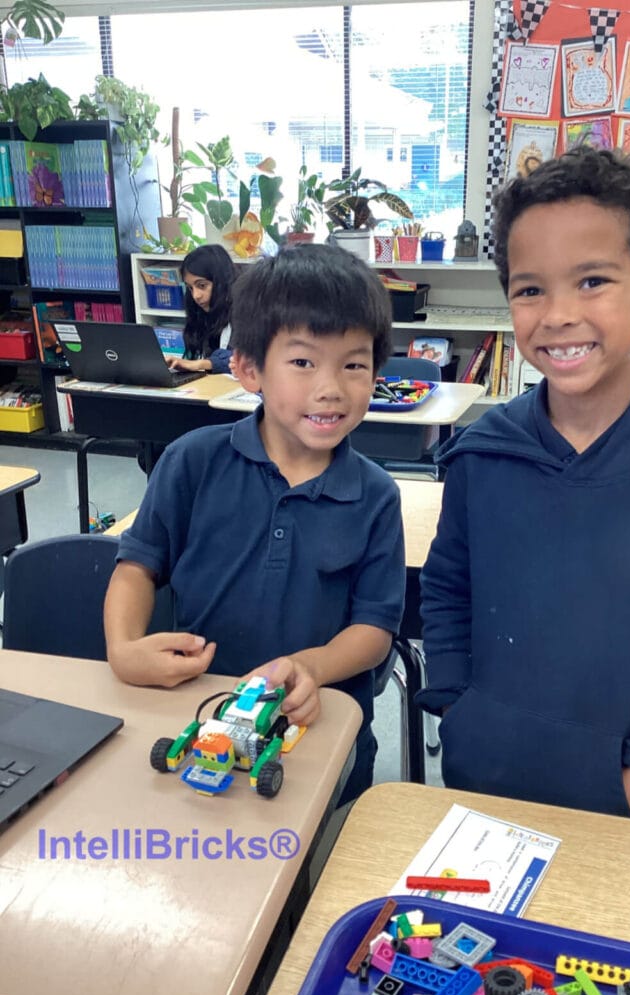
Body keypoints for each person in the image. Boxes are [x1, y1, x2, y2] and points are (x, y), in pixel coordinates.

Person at [416, 147, 630, 825]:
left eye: (593, 281)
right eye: (529, 289)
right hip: (478, 784)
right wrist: (457, 707)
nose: (557, 314)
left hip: (626, 810)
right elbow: (447, 588)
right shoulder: (479, 458)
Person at [104, 244, 406, 803]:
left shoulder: (376, 495)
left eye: (354, 364)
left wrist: (308, 667)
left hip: (315, 732)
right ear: (247, 368)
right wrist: (123, 648)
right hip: (199, 711)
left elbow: (374, 630)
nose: (331, 387)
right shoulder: (192, 461)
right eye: (302, 362)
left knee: (303, 872)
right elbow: (136, 569)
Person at [166, 243, 237, 374]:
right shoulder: (202, 314)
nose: (195, 296)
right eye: (190, 288)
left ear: (222, 282)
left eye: (202, 285)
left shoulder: (245, 311)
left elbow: (242, 359)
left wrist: (199, 364)